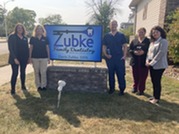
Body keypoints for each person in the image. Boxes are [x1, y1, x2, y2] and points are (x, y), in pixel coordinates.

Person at [103, 20, 128, 96]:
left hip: (119, 58)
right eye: (112, 24)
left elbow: (125, 45)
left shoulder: (121, 35)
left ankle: (122, 89)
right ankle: (112, 88)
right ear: (109, 25)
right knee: (111, 74)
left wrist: (124, 55)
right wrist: (106, 55)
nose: (113, 25)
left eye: (114, 24)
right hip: (110, 58)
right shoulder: (107, 36)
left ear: (117, 25)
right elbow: (104, 46)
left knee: (120, 74)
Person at [146, 26, 168, 104]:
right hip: (151, 64)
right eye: (153, 32)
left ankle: (157, 98)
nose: (155, 34)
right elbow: (149, 53)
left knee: (157, 81)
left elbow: (161, 53)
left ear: (160, 32)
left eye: (156, 32)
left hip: (159, 65)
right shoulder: (152, 42)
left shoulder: (163, 41)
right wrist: (147, 61)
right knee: (153, 81)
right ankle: (154, 96)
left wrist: (151, 63)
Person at [8, 23, 29, 95]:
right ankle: (13, 89)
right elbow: (10, 49)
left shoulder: (25, 38)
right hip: (15, 58)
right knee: (15, 73)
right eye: (18, 28)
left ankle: (23, 86)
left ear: (23, 29)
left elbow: (27, 48)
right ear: (16, 29)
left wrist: (28, 58)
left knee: (23, 72)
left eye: (21, 28)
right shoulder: (12, 37)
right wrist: (14, 58)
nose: (20, 29)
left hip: (24, 58)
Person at [129, 28, 150, 95]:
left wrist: (144, 52)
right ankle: (135, 88)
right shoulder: (134, 41)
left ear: (145, 33)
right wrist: (134, 52)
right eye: (139, 32)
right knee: (135, 75)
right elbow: (130, 50)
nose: (140, 33)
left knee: (143, 76)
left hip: (144, 62)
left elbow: (151, 51)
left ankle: (141, 90)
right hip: (135, 61)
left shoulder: (148, 41)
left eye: (142, 32)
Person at [29, 25, 50, 91]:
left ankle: (43, 86)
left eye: (40, 29)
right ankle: (38, 86)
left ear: (42, 30)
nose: (39, 30)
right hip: (35, 58)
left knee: (43, 72)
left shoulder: (45, 38)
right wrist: (30, 57)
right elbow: (31, 48)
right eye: (37, 29)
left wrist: (49, 57)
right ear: (35, 30)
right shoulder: (32, 38)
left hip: (44, 57)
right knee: (36, 72)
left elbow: (47, 48)